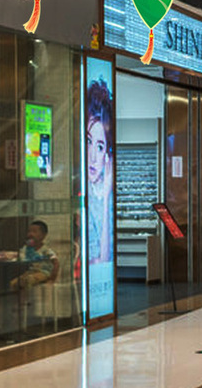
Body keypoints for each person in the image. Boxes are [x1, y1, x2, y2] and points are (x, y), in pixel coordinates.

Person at [86, 78, 113, 265]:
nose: (93, 156)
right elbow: (96, 260)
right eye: (89, 141)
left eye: (100, 146)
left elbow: (103, 259)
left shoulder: (106, 194)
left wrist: (105, 197)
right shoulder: (84, 191)